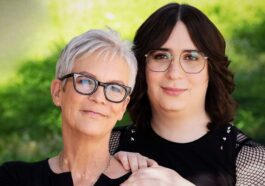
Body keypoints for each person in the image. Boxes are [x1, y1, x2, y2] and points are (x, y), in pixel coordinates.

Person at [111, 3, 265, 186]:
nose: (174, 73)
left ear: (211, 69)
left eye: (191, 57)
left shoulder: (251, 161)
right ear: (141, 67)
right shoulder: (110, 146)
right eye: (161, 56)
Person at [0, 28, 155, 186]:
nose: (99, 98)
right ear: (58, 92)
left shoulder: (145, 181)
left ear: (123, 107)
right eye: (86, 81)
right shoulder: (14, 178)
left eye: (115, 88)